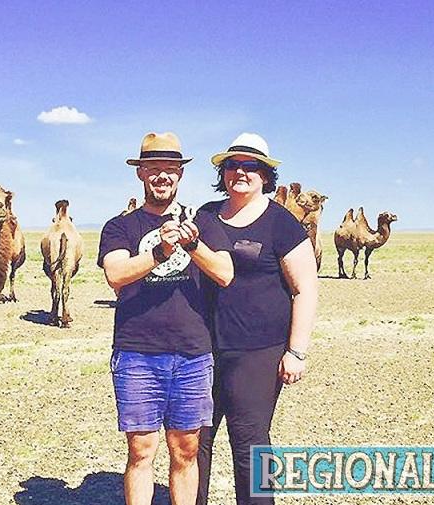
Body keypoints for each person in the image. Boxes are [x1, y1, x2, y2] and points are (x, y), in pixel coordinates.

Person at [98, 132, 233, 505]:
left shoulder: (203, 223)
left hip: (192, 354)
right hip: (137, 353)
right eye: (154, 168)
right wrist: (160, 252)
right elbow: (116, 274)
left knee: (186, 449)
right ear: (140, 173)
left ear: (180, 174)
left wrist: (192, 245)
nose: (162, 176)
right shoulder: (120, 227)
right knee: (141, 451)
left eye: (170, 169)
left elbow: (225, 273)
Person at [195, 133, 318, 505]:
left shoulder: (281, 223)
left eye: (250, 166)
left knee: (250, 443)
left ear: (265, 175)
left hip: (258, 352)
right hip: (203, 348)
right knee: (194, 441)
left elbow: (305, 289)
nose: (240, 172)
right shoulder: (206, 215)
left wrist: (296, 351)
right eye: (232, 165)